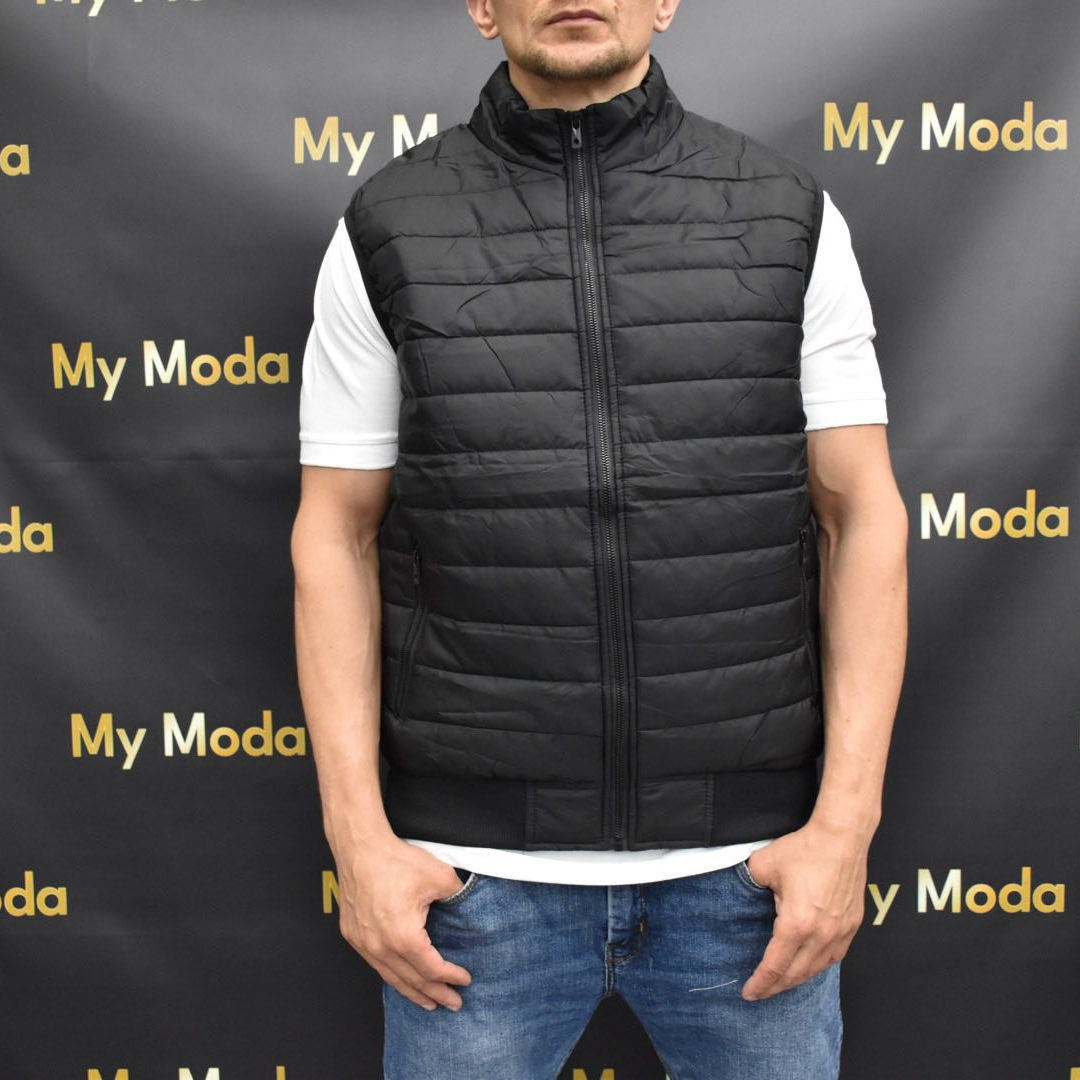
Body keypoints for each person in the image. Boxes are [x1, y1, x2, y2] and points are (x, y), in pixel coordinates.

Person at [291, 1, 908, 1076]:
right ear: (483, 7)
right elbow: (335, 534)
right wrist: (359, 840)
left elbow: (862, 517)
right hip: (472, 893)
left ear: (665, 1)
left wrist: (844, 830)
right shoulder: (388, 226)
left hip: (751, 884)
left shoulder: (788, 215)